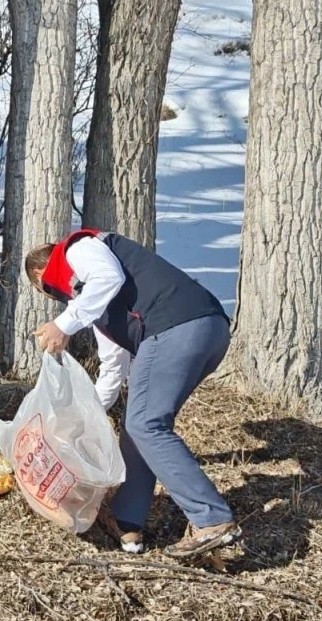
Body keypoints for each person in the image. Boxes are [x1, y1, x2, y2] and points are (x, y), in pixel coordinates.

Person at [25, 228, 240, 559]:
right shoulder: (91, 301)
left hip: (174, 327)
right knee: (138, 423)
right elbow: (113, 366)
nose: (52, 297)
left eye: (44, 289)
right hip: (207, 331)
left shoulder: (78, 249)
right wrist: (85, 418)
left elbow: (107, 277)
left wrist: (63, 325)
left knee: (145, 424)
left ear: (41, 273)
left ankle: (211, 519)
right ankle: (127, 519)